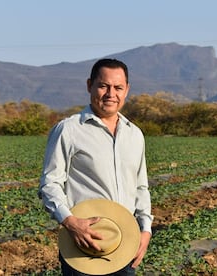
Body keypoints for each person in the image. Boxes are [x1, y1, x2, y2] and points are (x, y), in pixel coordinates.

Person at [39, 58, 153, 275]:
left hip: (124, 245)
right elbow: (50, 184)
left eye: (118, 87)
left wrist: (145, 230)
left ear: (126, 90)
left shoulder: (135, 134)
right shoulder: (69, 130)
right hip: (82, 247)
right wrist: (70, 222)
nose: (111, 94)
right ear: (89, 85)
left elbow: (141, 187)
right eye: (103, 86)